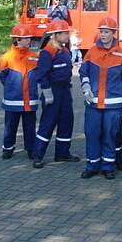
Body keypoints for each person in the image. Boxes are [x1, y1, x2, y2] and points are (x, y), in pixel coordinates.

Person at [79, 16, 122, 180]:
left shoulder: (121, 53)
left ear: (113, 33)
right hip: (93, 102)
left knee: (110, 134)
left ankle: (108, 166)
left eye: (106, 32)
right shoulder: (92, 52)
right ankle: (92, 165)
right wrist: (86, 86)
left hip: (113, 103)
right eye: (101, 32)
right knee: (92, 133)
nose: (103, 35)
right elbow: (84, 72)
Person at [31, 19, 80, 168]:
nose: (67, 35)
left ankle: (62, 153)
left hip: (64, 91)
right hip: (52, 92)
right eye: (65, 33)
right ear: (56, 35)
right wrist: (47, 92)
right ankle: (37, 155)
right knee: (48, 123)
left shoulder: (64, 51)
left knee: (66, 122)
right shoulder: (48, 52)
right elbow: (41, 74)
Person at [0, 24, 39, 160]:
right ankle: (8, 148)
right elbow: (2, 77)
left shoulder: (34, 57)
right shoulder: (6, 58)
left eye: (29, 38)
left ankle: (31, 149)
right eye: (26, 38)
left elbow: (38, 75)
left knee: (30, 127)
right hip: (13, 100)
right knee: (10, 126)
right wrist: (13, 88)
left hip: (30, 100)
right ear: (17, 39)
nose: (29, 40)